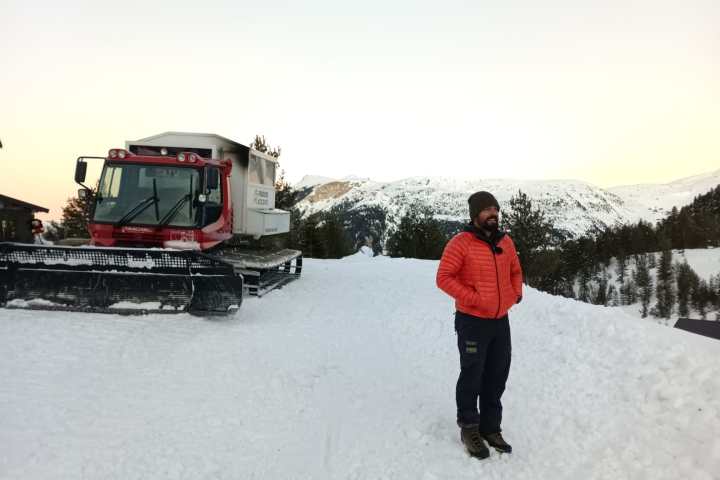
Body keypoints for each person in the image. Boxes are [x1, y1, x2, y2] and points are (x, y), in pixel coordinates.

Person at [436, 191, 523, 459]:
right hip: (472, 321)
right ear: (475, 215)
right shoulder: (460, 243)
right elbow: (444, 277)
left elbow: (515, 271)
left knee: (497, 374)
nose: (492, 214)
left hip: (500, 321)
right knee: (472, 375)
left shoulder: (505, 242)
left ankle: (490, 427)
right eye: (486, 210)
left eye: (495, 209)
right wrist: (475, 299)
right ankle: (469, 428)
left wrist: (515, 293)